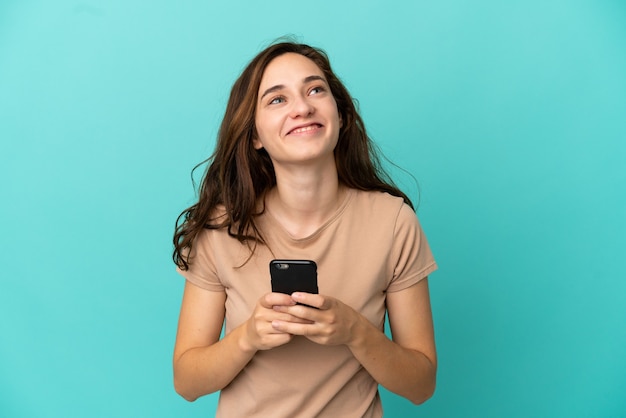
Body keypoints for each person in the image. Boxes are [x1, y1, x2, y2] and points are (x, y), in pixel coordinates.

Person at [172, 41, 438, 418]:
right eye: (277, 100)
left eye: (315, 89)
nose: (302, 107)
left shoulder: (393, 222)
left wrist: (355, 332)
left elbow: (422, 385)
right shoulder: (221, 228)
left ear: (341, 115)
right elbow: (186, 381)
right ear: (255, 136)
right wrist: (247, 338)